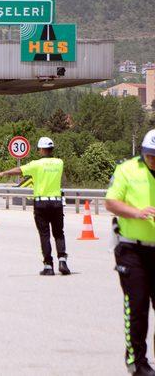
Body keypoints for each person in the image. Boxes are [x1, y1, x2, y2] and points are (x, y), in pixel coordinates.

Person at [105, 129, 155, 376]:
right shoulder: (127, 170)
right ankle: (137, 362)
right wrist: (136, 213)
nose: (153, 160)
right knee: (137, 308)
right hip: (132, 250)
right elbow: (111, 202)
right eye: (149, 155)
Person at [0, 137, 70, 276]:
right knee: (58, 233)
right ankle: (62, 261)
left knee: (44, 235)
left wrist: (3, 173)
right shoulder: (59, 163)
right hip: (57, 203)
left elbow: (19, 170)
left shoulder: (36, 164)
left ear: (41, 149)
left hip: (41, 203)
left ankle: (48, 266)